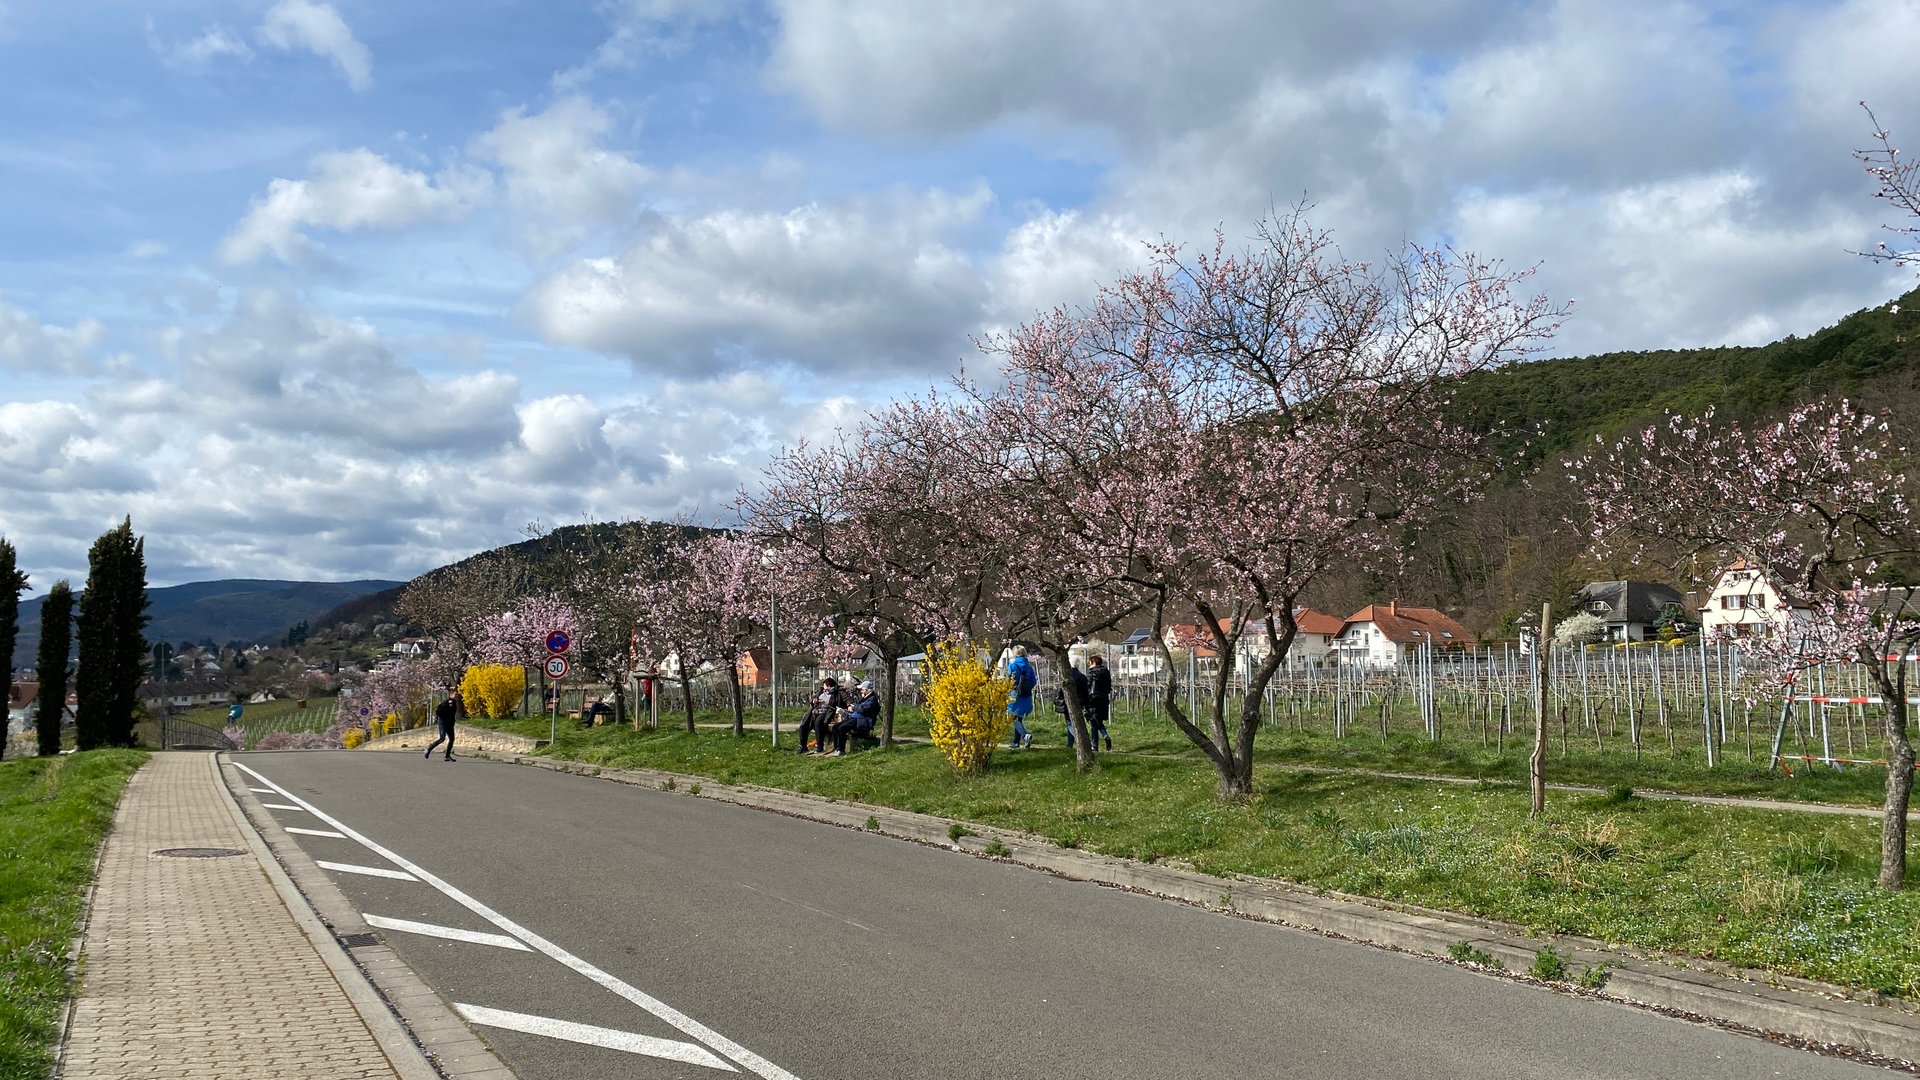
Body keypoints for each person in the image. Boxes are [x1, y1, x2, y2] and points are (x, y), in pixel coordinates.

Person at [831, 680, 882, 756]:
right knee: (835, 727)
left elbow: (862, 709)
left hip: (862, 720)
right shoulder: (866, 698)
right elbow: (859, 707)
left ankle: (841, 750)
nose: (861, 691)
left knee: (842, 728)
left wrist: (854, 706)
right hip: (856, 718)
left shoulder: (872, 699)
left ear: (867, 690)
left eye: (862, 689)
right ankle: (837, 748)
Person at [798, 677, 847, 755]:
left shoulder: (838, 692)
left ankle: (819, 746)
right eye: (824, 685)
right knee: (804, 724)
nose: (825, 687)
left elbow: (846, 698)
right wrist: (814, 700)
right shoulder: (821, 692)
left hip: (827, 711)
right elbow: (813, 698)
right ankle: (802, 745)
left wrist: (850, 704)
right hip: (815, 710)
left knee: (818, 722)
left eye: (826, 685)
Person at [1006, 646, 1037, 748]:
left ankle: (1025, 735)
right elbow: (1034, 681)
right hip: (1026, 696)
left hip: (1015, 695)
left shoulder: (1012, 666)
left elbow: (1008, 681)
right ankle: (1016, 742)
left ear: (1015, 654)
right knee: (1018, 718)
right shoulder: (1029, 667)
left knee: (1013, 718)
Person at [1057, 662, 1090, 748]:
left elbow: (1062, 690)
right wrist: (1087, 705)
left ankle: (1079, 739)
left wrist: (1059, 698)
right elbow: (1086, 693)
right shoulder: (1083, 677)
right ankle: (1070, 744)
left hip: (1068, 701)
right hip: (1080, 702)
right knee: (1075, 722)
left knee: (1069, 723)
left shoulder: (1067, 676)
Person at [1086, 654, 1113, 751]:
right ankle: (1105, 736)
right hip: (1104, 699)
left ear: (1094, 663)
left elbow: (1087, 686)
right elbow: (1108, 687)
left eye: (1090, 663)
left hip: (1093, 700)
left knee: (1094, 721)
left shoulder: (1091, 673)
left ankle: (1095, 745)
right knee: (1099, 720)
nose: (1089, 666)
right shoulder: (1106, 673)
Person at [425, 690, 460, 762]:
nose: (456, 696)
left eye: (457, 695)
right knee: (442, 738)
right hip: (443, 723)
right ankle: (429, 748)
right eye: (455, 694)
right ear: (451, 695)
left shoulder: (454, 703)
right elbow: (439, 712)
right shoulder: (446, 702)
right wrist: (444, 717)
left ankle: (447, 756)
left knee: (451, 739)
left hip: (450, 724)